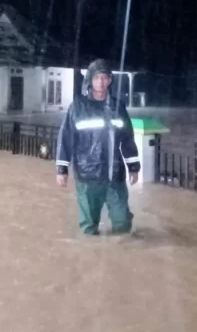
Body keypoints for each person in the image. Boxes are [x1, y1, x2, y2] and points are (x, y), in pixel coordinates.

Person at [55, 58, 140, 235]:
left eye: (104, 78)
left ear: (110, 80)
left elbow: (127, 139)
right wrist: (61, 169)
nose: (100, 82)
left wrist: (134, 167)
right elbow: (66, 138)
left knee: (122, 223)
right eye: (96, 78)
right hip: (87, 176)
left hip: (114, 175)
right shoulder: (78, 107)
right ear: (90, 80)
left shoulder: (118, 107)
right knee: (88, 228)